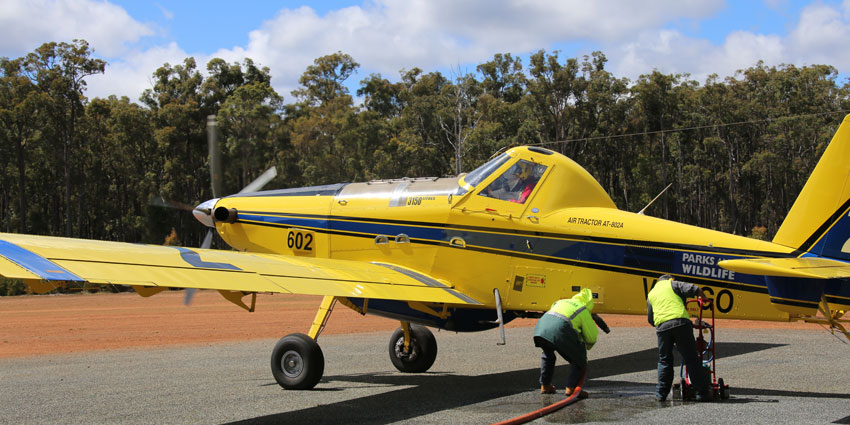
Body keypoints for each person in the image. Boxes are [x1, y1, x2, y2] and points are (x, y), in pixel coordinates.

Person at [646, 274, 712, 402]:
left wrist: (663, 322)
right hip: (681, 323)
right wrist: (703, 298)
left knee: (664, 360)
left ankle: (661, 394)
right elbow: (695, 288)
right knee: (691, 358)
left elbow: (650, 319)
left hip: (662, 327)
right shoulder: (673, 284)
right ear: (671, 279)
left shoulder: (651, 293)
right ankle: (702, 393)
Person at [533, 288, 598, 397]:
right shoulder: (583, 310)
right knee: (579, 359)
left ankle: (545, 385)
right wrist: (584, 345)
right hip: (560, 330)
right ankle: (572, 388)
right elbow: (591, 338)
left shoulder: (561, 302)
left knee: (548, 355)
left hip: (541, 329)